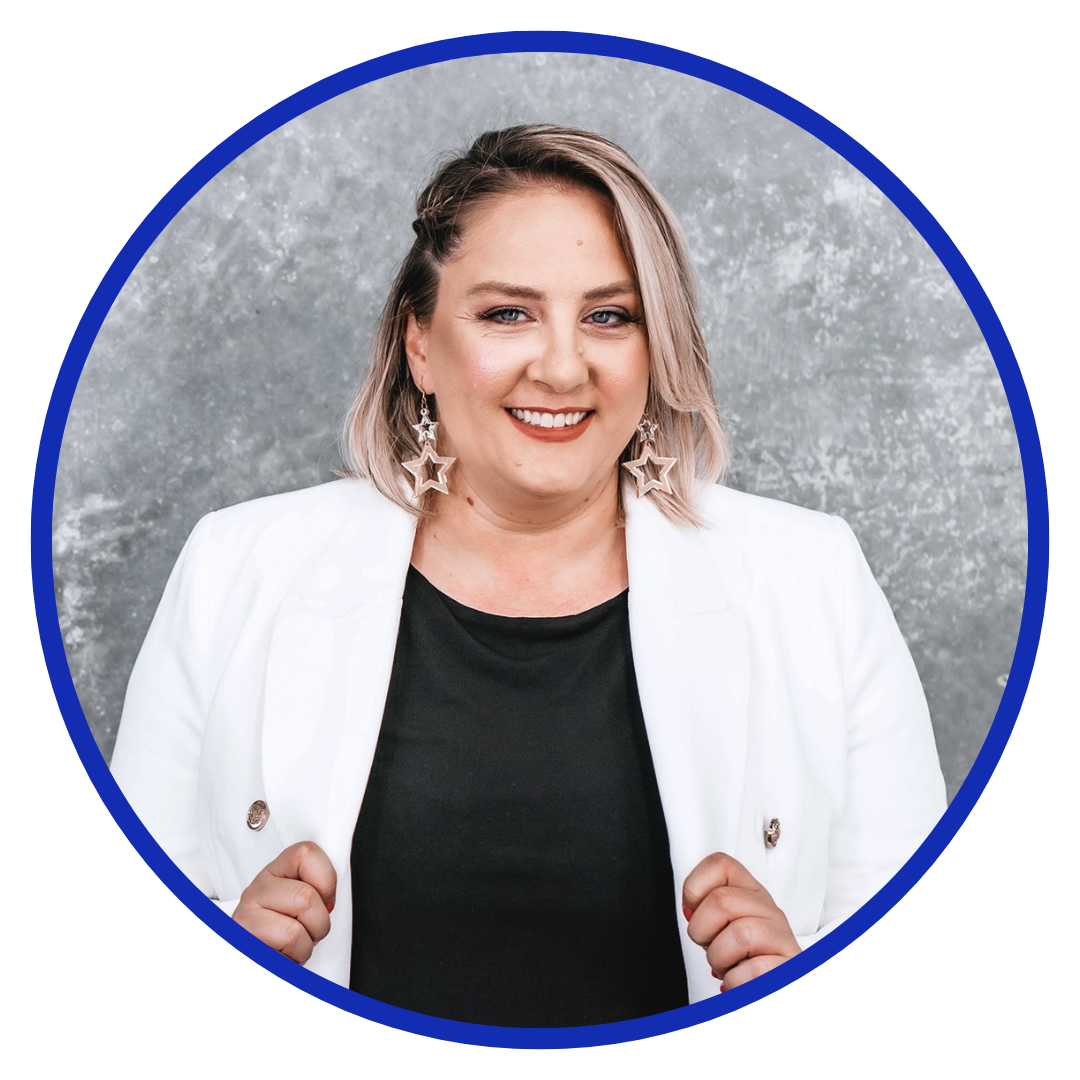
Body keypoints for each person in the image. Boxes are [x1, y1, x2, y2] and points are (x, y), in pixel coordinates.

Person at [111, 124, 946, 1026]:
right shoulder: (233, 570)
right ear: (420, 344)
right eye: (508, 313)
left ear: (656, 346)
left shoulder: (815, 580)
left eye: (609, 316)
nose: (560, 366)